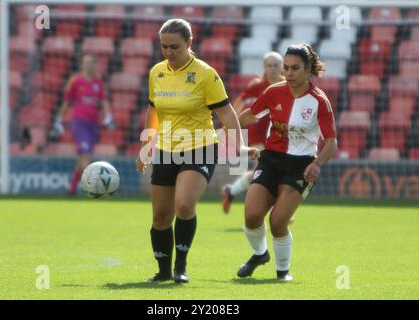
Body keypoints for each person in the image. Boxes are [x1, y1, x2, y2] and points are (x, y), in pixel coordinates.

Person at [135, 18, 259, 283]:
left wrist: (239, 147)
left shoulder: (205, 74)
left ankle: (181, 265)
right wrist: (147, 146)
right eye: (164, 46)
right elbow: (153, 109)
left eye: (174, 47)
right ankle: (163, 271)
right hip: (166, 149)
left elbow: (226, 112)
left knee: (184, 204)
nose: (168, 52)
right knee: (160, 216)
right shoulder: (156, 72)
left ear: (189, 43)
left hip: (200, 147)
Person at [237, 44, 337, 281]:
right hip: (271, 159)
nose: (289, 73)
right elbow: (249, 116)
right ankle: (259, 254)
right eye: (286, 68)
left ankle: (283, 273)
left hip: (301, 165)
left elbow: (331, 140)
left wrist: (318, 164)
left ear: (308, 69)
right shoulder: (273, 92)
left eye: (295, 68)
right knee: (251, 216)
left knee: (278, 221)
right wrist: (231, 132)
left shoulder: (319, 101)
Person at [222, 52, 285, 214]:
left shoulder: (286, 86)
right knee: (266, 170)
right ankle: (272, 210)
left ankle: (231, 190)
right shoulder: (256, 86)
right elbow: (239, 103)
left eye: (276, 65)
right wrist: (230, 124)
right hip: (258, 135)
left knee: (262, 172)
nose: (272, 69)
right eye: (269, 65)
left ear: (282, 67)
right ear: (264, 67)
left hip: (278, 134)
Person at [51, 54, 115, 195]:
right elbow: (67, 101)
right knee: (86, 155)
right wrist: (59, 119)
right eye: (86, 63)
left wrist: (108, 116)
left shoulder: (98, 83)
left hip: (93, 124)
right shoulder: (75, 81)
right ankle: (92, 187)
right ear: (82, 65)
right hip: (79, 123)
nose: (88, 65)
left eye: (91, 63)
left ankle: (72, 188)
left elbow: (104, 101)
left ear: (94, 65)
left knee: (84, 158)